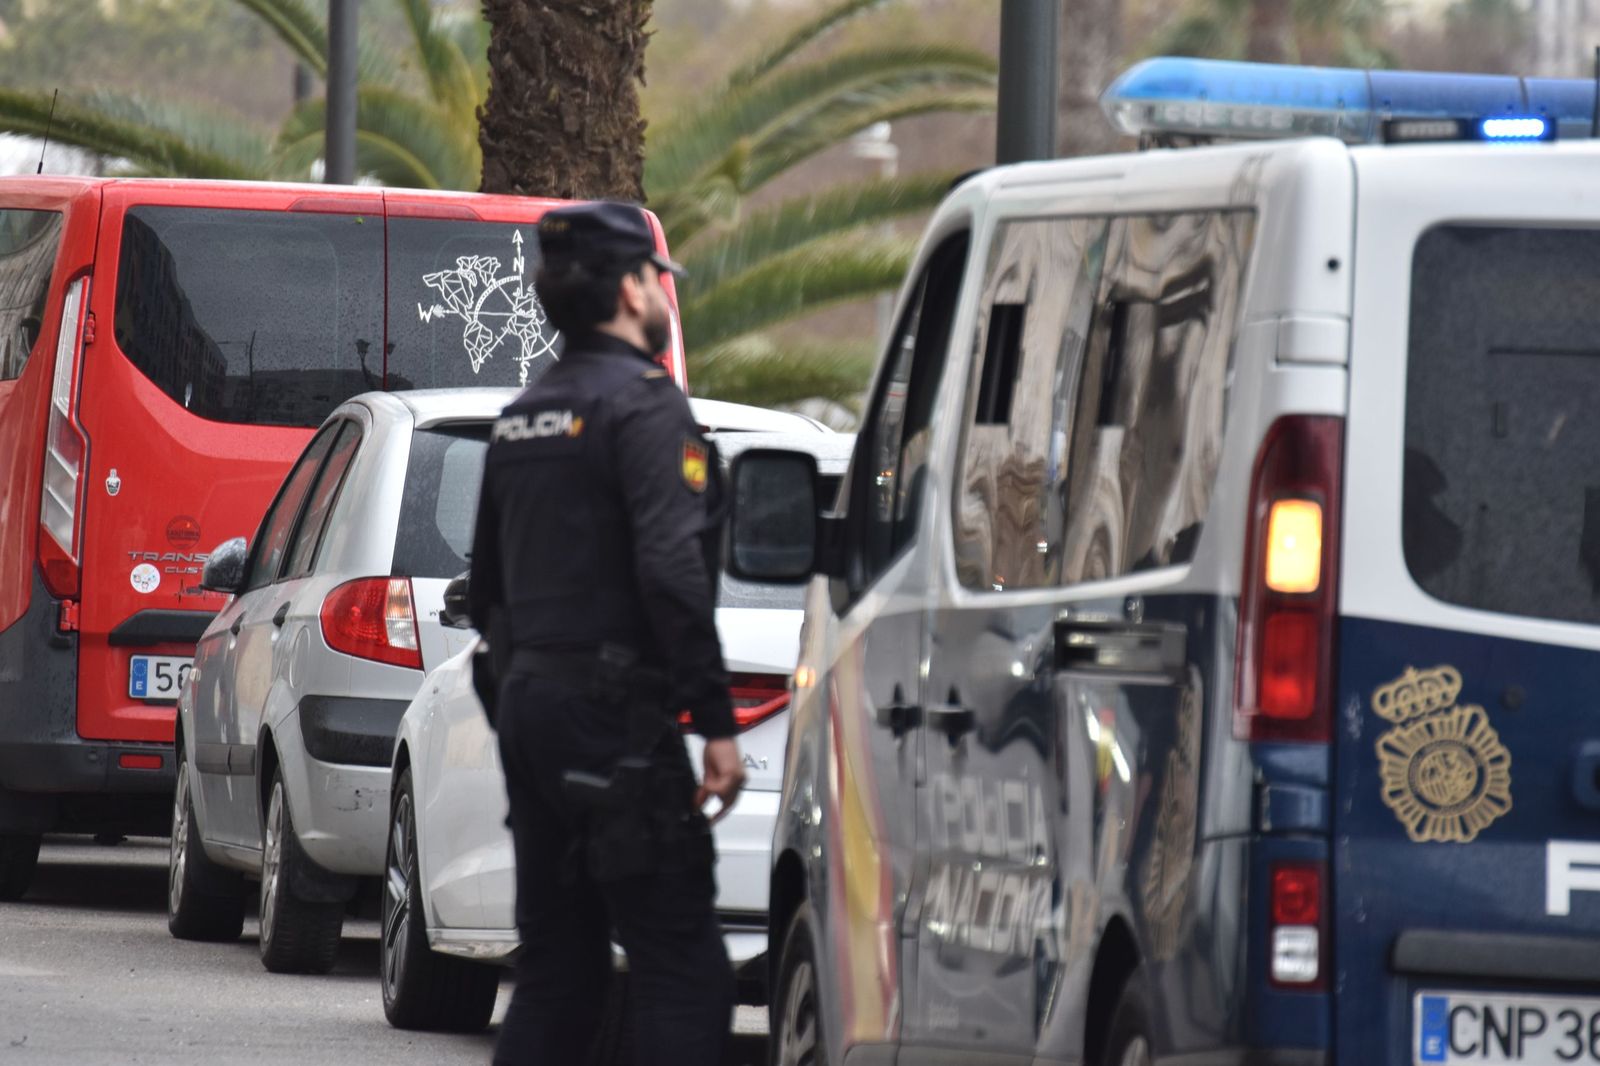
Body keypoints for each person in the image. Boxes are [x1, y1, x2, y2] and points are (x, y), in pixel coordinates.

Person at [467, 201, 746, 1066]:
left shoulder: (521, 415)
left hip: (530, 712)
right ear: (631, 288)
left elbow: (488, 595)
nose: (665, 293)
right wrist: (718, 725)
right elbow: (672, 574)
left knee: (560, 969)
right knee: (682, 968)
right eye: (659, 279)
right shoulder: (647, 408)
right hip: (615, 719)